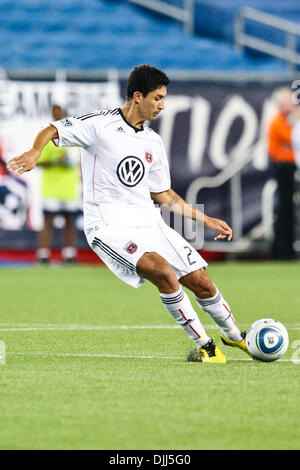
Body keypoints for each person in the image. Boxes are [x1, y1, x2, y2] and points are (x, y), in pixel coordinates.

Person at [8, 64, 252, 363]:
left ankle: (236, 337)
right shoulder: (100, 125)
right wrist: (35, 151)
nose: (162, 105)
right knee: (163, 273)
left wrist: (205, 219)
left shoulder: (152, 142)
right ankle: (205, 346)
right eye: (157, 98)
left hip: (148, 222)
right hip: (109, 226)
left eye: (164, 99)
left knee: (201, 280)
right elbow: (53, 128)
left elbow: (163, 194)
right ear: (138, 96)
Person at [36, 104, 81, 264]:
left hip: (69, 187)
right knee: (48, 219)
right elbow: (38, 162)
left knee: (70, 220)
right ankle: (43, 254)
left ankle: (69, 254)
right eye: (54, 112)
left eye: (60, 111)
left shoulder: (75, 137)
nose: (57, 114)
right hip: (51, 187)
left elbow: (80, 162)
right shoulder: (47, 137)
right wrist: (57, 160)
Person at [268, 87, 297, 260]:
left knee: (287, 211)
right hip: (284, 169)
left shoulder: (288, 121)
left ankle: (287, 251)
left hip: (288, 168)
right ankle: (282, 252)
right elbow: (280, 149)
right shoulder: (279, 122)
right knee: (284, 211)